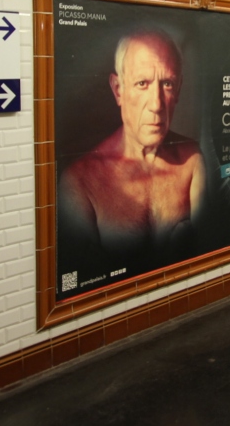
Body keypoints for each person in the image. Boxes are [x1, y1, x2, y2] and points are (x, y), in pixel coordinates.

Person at [58, 29, 205, 267]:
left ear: (178, 89)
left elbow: (205, 249)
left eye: (167, 84)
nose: (156, 104)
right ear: (118, 89)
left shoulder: (192, 160)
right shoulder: (80, 183)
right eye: (142, 83)